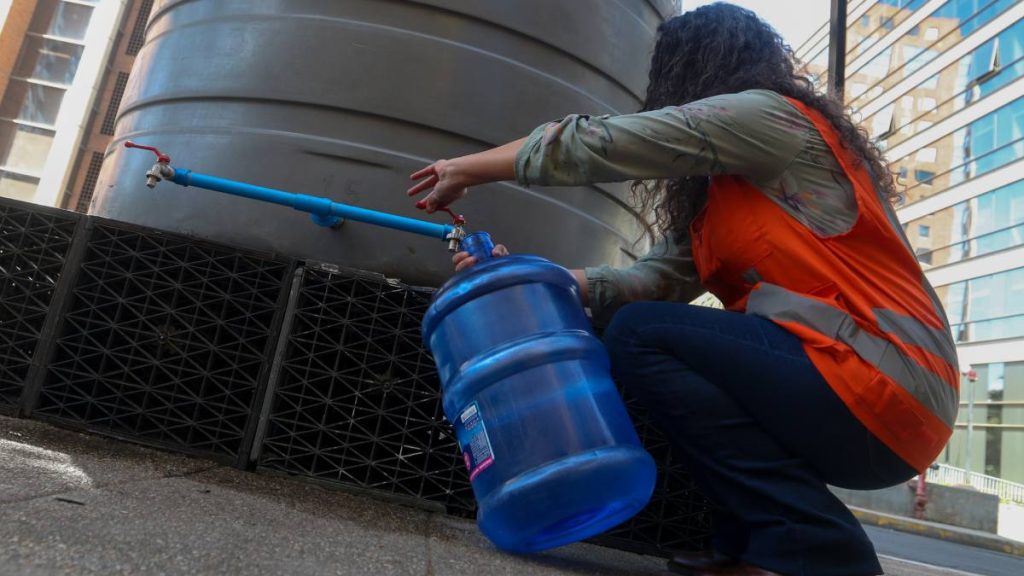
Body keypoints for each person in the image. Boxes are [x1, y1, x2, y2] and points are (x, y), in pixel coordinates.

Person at [407, 4, 959, 575]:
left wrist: (469, 168)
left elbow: (603, 143)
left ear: (692, 71)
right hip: (850, 393)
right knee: (647, 329)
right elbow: (648, 282)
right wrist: (523, 279)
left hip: (885, 380)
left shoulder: (774, 120)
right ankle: (755, 544)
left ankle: (822, 550)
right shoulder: (718, 207)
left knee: (642, 336)